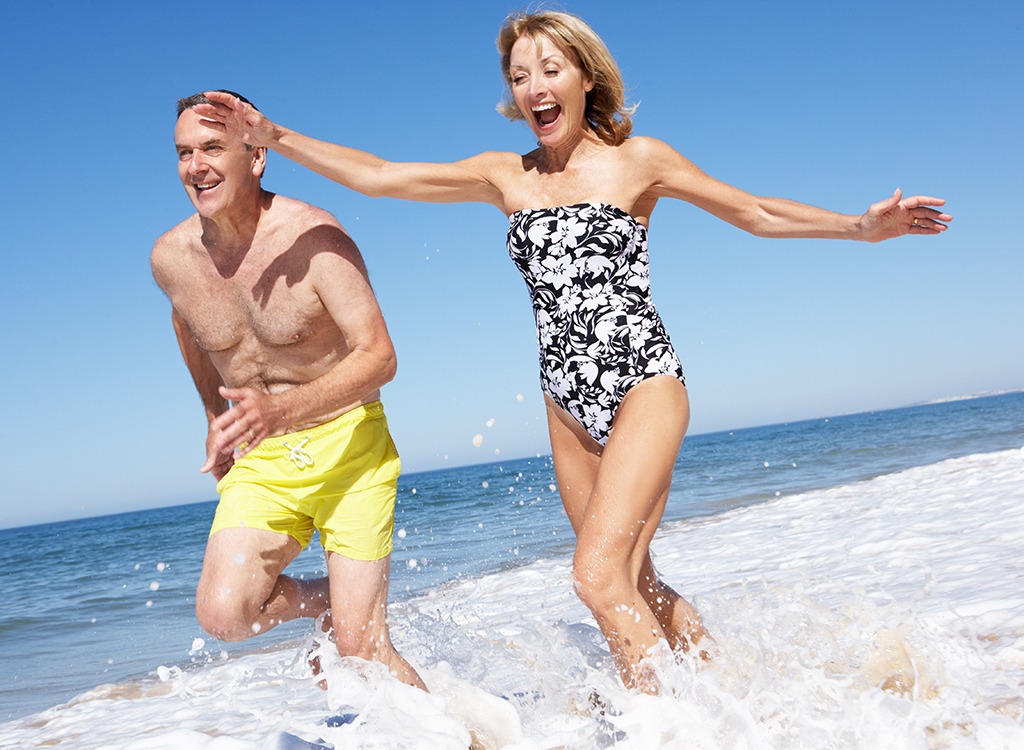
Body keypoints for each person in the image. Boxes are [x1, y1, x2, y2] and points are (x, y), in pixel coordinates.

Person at [194, 11, 951, 694]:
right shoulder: (505, 175)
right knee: (636, 581)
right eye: (520, 76)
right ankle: (734, 696)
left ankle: (666, 732)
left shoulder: (638, 161)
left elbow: (751, 210)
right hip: (567, 406)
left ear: (587, 77)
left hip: (643, 385)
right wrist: (277, 137)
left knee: (595, 578)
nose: (534, 87)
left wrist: (859, 227)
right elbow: (385, 177)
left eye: (550, 69)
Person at [152, 91, 426, 691]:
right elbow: (187, 323)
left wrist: (280, 409)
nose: (195, 165)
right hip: (265, 454)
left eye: (212, 148)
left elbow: (380, 356)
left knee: (361, 650)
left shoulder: (316, 239)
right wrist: (210, 412)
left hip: (350, 444)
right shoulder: (171, 258)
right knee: (224, 614)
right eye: (183, 152)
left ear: (255, 157)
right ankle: (331, 599)